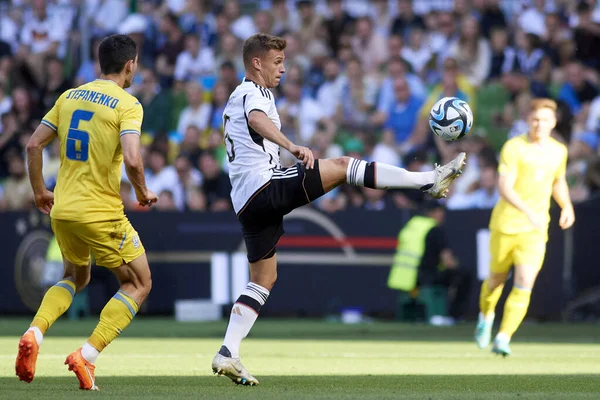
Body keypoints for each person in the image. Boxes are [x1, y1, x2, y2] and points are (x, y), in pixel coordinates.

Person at [211, 33, 467, 386]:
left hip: (247, 203)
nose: (283, 69)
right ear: (256, 63)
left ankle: (228, 351)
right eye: (277, 63)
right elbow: (256, 120)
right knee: (345, 166)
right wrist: (290, 145)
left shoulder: (246, 94)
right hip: (264, 187)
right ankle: (428, 180)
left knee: (263, 279)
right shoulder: (250, 93)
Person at [15, 34, 157, 390]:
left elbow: (33, 145)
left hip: (62, 208)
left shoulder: (68, 96)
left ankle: (35, 331)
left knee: (76, 277)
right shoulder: (128, 104)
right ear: (130, 65)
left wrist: (38, 192)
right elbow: (134, 159)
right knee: (139, 282)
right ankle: (87, 355)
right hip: (101, 211)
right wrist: (142, 192)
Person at [474, 98, 575, 356]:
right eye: (535, 119)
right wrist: (528, 211)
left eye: (544, 120)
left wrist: (566, 205)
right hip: (506, 225)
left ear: (554, 122)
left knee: (524, 283)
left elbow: (558, 181)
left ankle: (503, 337)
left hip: (535, 229)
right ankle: (486, 317)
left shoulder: (558, 151)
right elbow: (504, 186)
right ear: (528, 120)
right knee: (495, 279)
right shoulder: (514, 147)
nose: (539, 124)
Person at [388, 200, 471, 325]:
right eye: (441, 212)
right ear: (434, 213)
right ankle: (454, 316)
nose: (443, 215)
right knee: (464, 275)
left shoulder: (411, 226)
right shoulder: (434, 230)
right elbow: (448, 261)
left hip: (406, 278)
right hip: (427, 277)